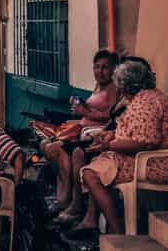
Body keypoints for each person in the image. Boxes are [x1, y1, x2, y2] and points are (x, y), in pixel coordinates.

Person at [72, 59, 168, 235]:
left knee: (91, 175)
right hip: (142, 158)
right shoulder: (146, 97)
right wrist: (111, 136)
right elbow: (132, 131)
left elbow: (145, 142)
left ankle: (118, 231)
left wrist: (109, 145)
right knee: (93, 164)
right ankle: (102, 222)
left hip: (153, 163)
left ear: (126, 86)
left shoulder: (145, 103)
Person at [46, 50, 119, 220]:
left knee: (65, 151)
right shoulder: (98, 86)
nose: (100, 71)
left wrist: (84, 112)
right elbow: (93, 111)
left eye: (105, 67)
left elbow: (111, 115)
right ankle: (65, 195)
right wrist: (83, 109)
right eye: (97, 67)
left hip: (94, 135)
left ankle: (74, 201)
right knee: (49, 147)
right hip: (84, 131)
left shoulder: (113, 89)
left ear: (114, 69)